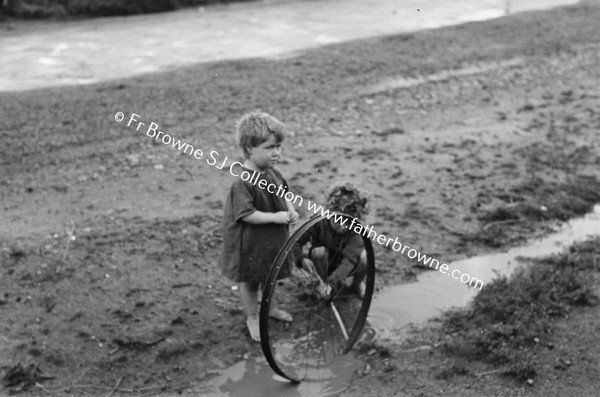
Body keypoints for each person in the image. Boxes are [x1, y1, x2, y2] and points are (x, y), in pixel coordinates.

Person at [218, 112, 299, 342]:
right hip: (250, 244)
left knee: (270, 277)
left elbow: (284, 194)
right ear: (250, 148)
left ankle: (270, 309)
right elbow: (247, 215)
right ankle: (252, 317)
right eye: (270, 147)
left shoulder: (271, 173)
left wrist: (290, 210)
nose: (277, 153)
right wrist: (277, 217)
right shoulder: (243, 182)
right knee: (251, 282)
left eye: (279, 147)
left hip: (270, 241)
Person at [292, 183, 369, 298]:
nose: (342, 227)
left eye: (348, 223)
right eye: (338, 221)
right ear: (330, 213)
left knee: (366, 257)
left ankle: (356, 284)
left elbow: (349, 261)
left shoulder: (356, 231)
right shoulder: (318, 221)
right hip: (322, 264)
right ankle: (321, 283)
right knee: (318, 251)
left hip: (346, 266)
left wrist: (332, 283)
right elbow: (295, 242)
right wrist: (301, 259)